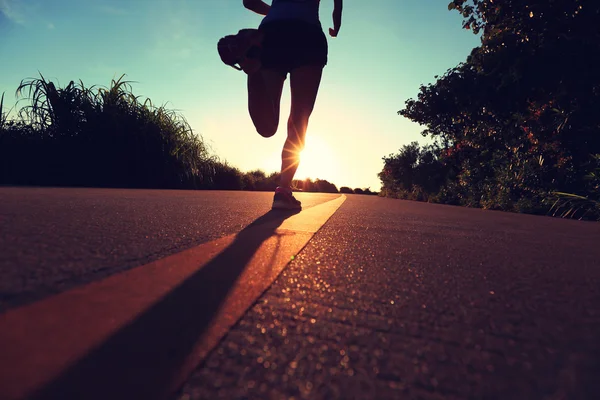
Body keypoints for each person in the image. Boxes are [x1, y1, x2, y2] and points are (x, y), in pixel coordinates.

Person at [218, 0, 343, 209]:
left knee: (267, 128)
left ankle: (253, 64)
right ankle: (284, 190)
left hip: (272, 33)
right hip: (308, 34)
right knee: (299, 120)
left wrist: (276, 12)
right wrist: (336, 25)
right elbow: (337, 6)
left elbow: (248, 1)